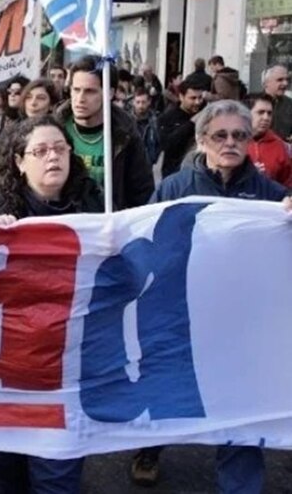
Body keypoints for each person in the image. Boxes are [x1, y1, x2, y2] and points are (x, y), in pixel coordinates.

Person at [131, 100, 292, 489]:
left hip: (242, 325)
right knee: (171, 392)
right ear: (202, 141)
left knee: (240, 408)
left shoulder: (272, 196)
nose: (230, 142)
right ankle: (150, 448)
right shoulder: (175, 188)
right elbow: (144, 240)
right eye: (220, 135)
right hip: (181, 316)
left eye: (240, 135)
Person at [0, 115, 103, 494]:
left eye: (60, 149)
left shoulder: (93, 202)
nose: (52, 157)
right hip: (6, 363)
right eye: (40, 151)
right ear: (19, 161)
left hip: (67, 363)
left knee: (57, 472)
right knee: (9, 470)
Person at [54, 55, 154, 209]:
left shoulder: (126, 133)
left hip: (110, 224)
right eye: (76, 90)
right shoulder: (54, 130)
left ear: (109, 93)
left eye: (89, 91)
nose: (80, 98)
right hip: (65, 223)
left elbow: (142, 191)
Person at [157, 76, 205, 178]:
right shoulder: (167, 117)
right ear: (181, 97)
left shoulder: (204, 114)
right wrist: (191, 123)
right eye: (193, 98)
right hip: (175, 172)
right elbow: (168, 145)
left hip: (200, 172)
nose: (197, 102)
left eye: (200, 97)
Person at [245, 93, 292, 187]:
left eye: (269, 113)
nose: (266, 118)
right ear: (246, 113)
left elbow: (288, 183)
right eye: (260, 112)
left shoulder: (280, 146)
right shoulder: (231, 141)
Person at [131, 87, 162, 167]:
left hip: (147, 164)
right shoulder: (127, 120)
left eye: (143, 102)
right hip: (130, 163)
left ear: (149, 102)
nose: (140, 105)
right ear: (133, 102)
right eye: (138, 102)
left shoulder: (155, 121)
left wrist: (153, 158)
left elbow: (159, 141)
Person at [261, 64, 292, 141]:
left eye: (287, 80)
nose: (285, 83)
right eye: (280, 80)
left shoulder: (290, 104)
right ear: (266, 83)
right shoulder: (251, 103)